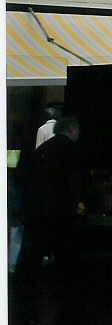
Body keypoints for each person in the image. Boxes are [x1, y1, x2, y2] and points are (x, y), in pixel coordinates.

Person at [17, 116, 86, 277]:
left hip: (38, 207)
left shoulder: (42, 149)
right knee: (65, 250)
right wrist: (78, 201)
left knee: (34, 250)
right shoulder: (71, 150)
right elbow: (73, 179)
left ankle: (26, 283)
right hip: (61, 208)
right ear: (72, 130)